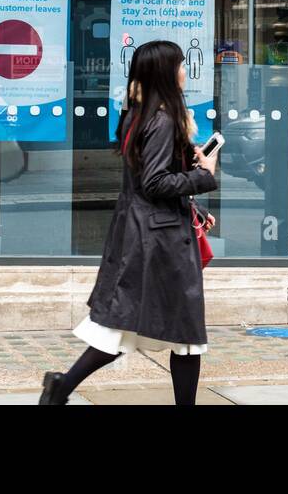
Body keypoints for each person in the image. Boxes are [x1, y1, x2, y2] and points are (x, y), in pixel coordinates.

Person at [39, 39, 219, 406]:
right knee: (182, 335)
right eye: (181, 65)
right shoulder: (165, 120)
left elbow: (144, 182)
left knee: (122, 330)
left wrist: (193, 209)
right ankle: (62, 386)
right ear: (166, 73)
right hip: (159, 241)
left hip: (143, 232)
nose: (185, 71)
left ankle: (62, 387)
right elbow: (154, 183)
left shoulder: (139, 115)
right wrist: (204, 175)